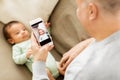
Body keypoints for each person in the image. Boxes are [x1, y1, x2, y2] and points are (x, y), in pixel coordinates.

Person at [31, 0, 120, 80]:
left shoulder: (81, 69)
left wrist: (38, 62)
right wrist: (87, 43)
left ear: (91, 11)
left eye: (78, 7)